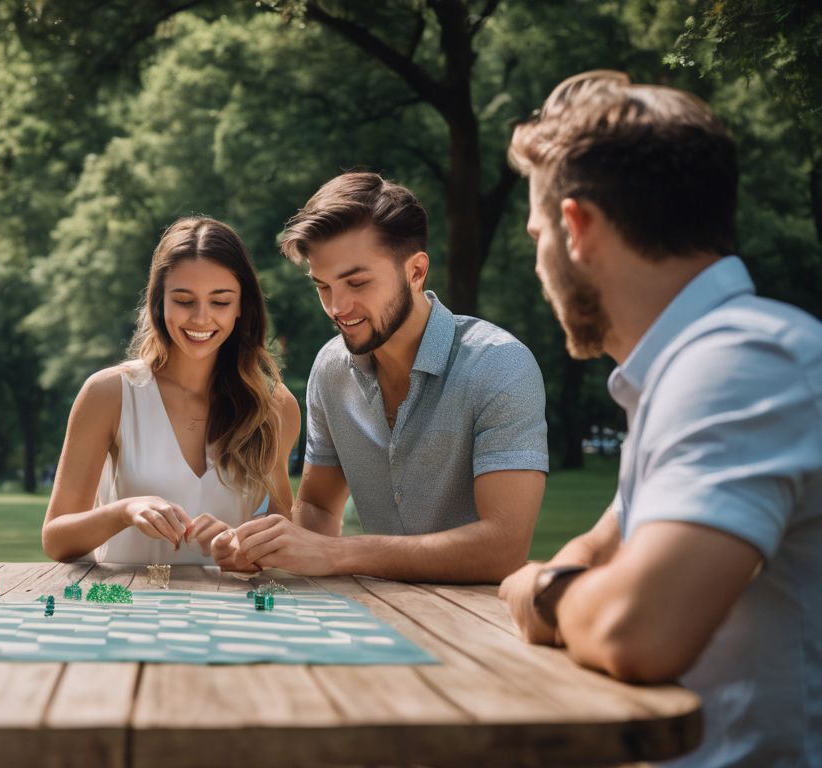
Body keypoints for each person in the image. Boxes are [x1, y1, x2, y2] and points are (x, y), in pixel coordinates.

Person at [498, 71, 821, 766]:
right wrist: (577, 578)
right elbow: (603, 543)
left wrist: (548, 592)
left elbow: (637, 628)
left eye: (536, 234)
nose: (538, 263)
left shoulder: (743, 362)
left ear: (576, 227)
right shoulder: (686, 370)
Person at [222, 172, 548, 580]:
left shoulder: (499, 365)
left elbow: (503, 547)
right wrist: (270, 550)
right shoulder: (330, 370)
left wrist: (340, 554)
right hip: (374, 617)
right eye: (323, 286)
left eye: (357, 282)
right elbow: (319, 509)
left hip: (476, 624)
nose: (337, 307)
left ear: (415, 271)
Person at [42, 217, 301, 565]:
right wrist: (124, 511)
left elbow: (280, 539)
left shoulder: (275, 406)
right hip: (126, 612)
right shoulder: (109, 394)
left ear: (242, 306)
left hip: (231, 615)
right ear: (159, 301)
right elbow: (57, 539)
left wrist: (241, 550)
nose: (200, 318)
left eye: (220, 302)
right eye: (183, 300)